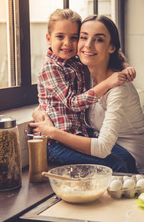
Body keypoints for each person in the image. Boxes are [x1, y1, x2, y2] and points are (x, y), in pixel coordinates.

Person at [30, 15, 144, 177]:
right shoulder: (81, 73)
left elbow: (102, 148)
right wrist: (38, 112)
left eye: (99, 40)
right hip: (126, 163)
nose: (88, 45)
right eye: (83, 37)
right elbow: (57, 99)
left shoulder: (118, 87)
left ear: (111, 47)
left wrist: (52, 132)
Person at [36, 9, 136, 172]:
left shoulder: (74, 62)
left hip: (79, 136)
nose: (67, 43)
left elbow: (110, 55)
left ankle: (128, 195)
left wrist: (125, 66)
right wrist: (108, 83)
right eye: (60, 36)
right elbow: (72, 103)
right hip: (58, 145)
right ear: (49, 38)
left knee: (127, 158)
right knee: (117, 165)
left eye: (74, 38)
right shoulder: (51, 68)